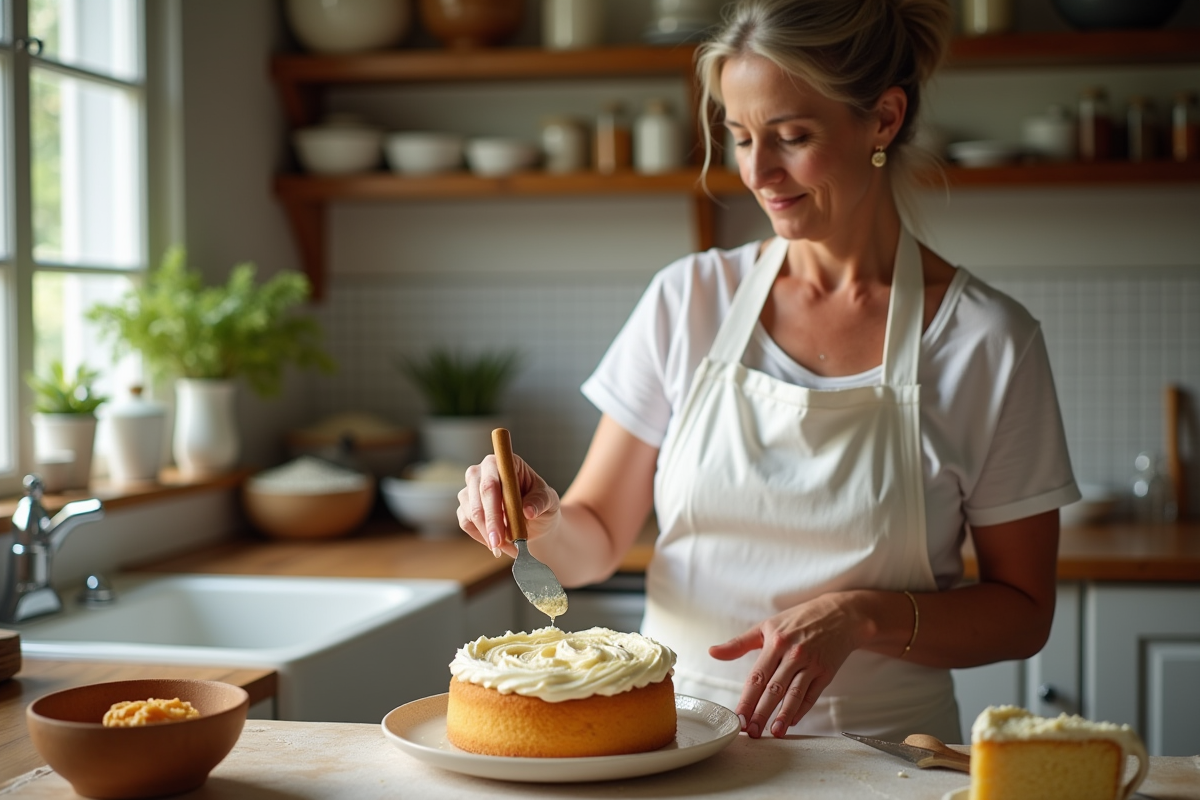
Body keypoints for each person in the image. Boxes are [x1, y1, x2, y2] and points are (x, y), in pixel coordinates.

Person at [457, 0, 1080, 744]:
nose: (755, 171)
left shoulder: (988, 342)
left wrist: (863, 614)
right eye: (739, 135)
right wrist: (542, 516)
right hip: (677, 745)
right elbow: (593, 544)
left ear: (883, 119)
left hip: (884, 762)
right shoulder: (688, 300)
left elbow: (1023, 613)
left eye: (792, 136)